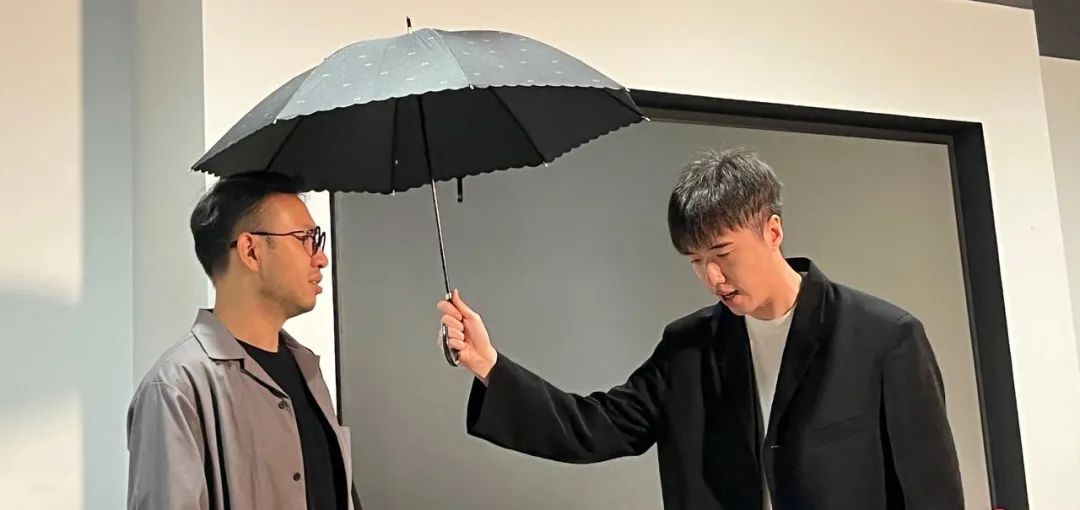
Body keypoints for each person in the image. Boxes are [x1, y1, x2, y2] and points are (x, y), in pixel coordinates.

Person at [438, 148, 964, 509]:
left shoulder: (884, 338)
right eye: (695, 261)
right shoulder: (688, 348)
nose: (712, 277)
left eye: (722, 253)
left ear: (772, 231)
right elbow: (594, 428)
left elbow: (931, 493)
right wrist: (489, 366)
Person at [127, 172, 356, 509]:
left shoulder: (307, 369)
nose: (320, 257)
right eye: (306, 238)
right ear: (251, 251)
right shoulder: (177, 388)